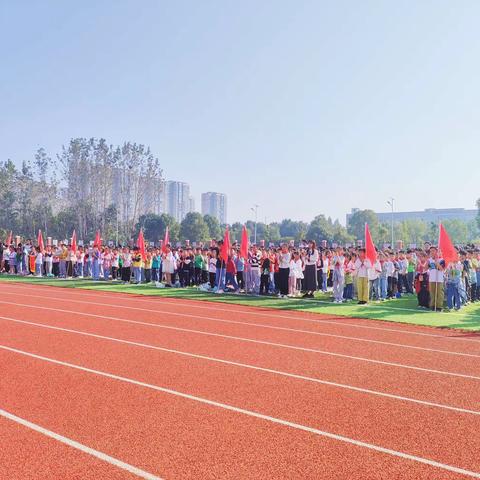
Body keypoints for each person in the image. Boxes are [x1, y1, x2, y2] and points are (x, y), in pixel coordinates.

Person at [428, 247, 445, 311]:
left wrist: (437, 263)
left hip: (439, 279)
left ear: (436, 251)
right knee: (432, 293)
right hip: (431, 279)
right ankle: (432, 306)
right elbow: (427, 268)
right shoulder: (429, 260)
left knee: (439, 293)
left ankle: (439, 307)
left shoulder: (442, 260)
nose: (432, 252)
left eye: (433, 251)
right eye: (431, 251)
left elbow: (442, 269)